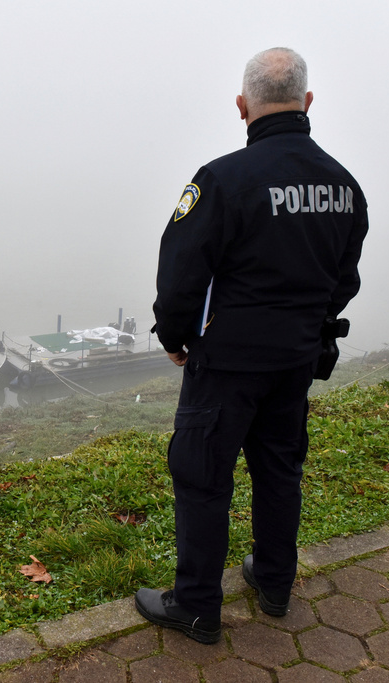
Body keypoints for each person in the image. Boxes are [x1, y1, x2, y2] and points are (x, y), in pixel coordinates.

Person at [135, 47, 368, 644]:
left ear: (242, 107)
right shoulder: (344, 185)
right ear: (308, 102)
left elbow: (182, 271)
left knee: (203, 477)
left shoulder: (221, 180)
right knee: (279, 471)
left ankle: (196, 607)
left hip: (228, 364)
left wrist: (174, 336)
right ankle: (273, 583)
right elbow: (344, 280)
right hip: (295, 361)